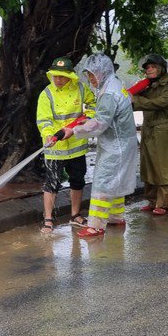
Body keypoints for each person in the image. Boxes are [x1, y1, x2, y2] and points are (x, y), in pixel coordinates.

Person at [60, 53, 138, 237]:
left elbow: (100, 123)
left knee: (103, 183)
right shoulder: (115, 85)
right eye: (88, 75)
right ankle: (116, 218)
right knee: (116, 182)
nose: (90, 80)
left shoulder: (109, 93)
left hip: (115, 146)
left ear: (102, 72)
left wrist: (75, 131)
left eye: (92, 75)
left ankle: (95, 225)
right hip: (122, 144)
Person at [36, 57, 96, 233]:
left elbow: (93, 106)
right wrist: (49, 135)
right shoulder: (46, 94)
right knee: (52, 183)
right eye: (55, 76)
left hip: (77, 145)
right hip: (55, 148)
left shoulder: (80, 88)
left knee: (77, 180)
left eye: (62, 76)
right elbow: (43, 119)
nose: (58, 79)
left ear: (70, 76)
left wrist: (84, 122)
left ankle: (75, 215)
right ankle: (48, 219)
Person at [132, 54, 168, 215]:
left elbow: (157, 104)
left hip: (163, 133)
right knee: (148, 167)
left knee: (164, 168)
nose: (149, 70)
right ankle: (152, 200)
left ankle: (163, 204)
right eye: (147, 68)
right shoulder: (148, 87)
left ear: (161, 68)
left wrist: (133, 99)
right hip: (148, 131)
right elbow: (135, 101)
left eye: (153, 67)